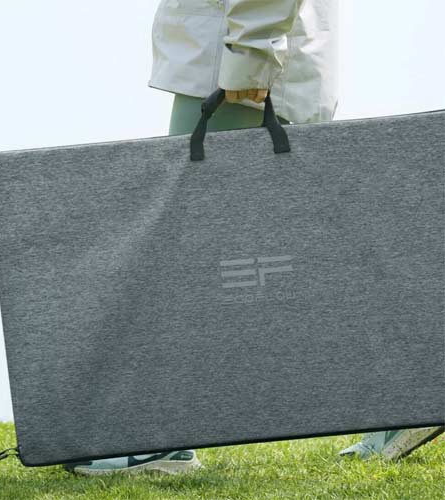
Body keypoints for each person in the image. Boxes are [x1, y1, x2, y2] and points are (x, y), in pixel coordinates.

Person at [62, 0, 444, 475]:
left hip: (236, 63)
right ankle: (416, 392)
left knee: (194, 263)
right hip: (234, 53)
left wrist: (249, 56)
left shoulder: (244, 59)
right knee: (294, 263)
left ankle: (161, 437)